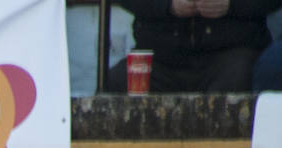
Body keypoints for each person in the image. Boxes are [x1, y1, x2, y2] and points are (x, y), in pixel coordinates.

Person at [103, 0, 281, 93]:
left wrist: (231, 4)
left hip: (231, 55)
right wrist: (168, 5)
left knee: (242, 80)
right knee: (115, 84)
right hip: (160, 58)